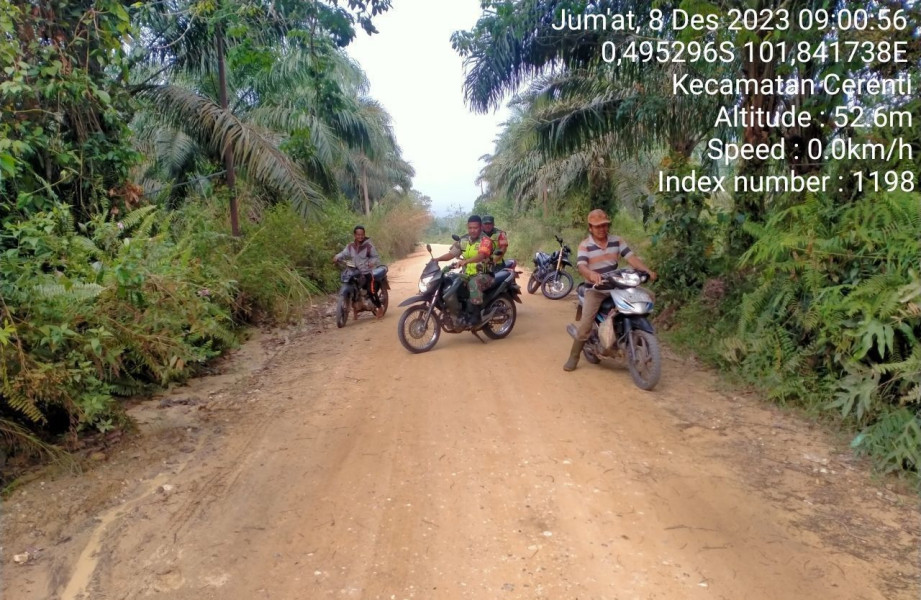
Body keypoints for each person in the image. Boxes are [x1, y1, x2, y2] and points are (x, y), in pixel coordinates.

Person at [564, 209, 657, 371]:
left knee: (649, 296)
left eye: (605, 225)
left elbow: (631, 258)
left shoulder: (617, 241)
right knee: (585, 325)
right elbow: (581, 266)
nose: (602, 229)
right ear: (590, 228)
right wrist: (591, 274)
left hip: (616, 284)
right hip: (595, 288)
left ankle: (635, 334)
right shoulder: (585, 245)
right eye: (597, 226)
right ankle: (574, 357)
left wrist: (647, 271)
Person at [434, 215, 496, 327]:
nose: (472, 230)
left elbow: (481, 255)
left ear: (481, 227)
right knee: (451, 282)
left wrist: (466, 261)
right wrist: (437, 259)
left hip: (485, 275)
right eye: (470, 228)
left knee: (474, 283)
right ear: (467, 227)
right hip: (467, 274)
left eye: (475, 228)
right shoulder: (464, 240)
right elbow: (452, 254)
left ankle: (476, 316)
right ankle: (459, 312)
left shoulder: (485, 240)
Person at [332, 225, 384, 319]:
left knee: (371, 291)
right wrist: (337, 257)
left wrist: (371, 263)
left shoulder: (368, 246)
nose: (360, 236)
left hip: (366, 272)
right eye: (358, 235)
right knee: (354, 289)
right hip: (355, 271)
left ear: (364, 235)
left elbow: (375, 256)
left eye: (362, 234)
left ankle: (380, 307)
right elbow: (343, 254)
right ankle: (356, 310)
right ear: (355, 235)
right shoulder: (350, 246)